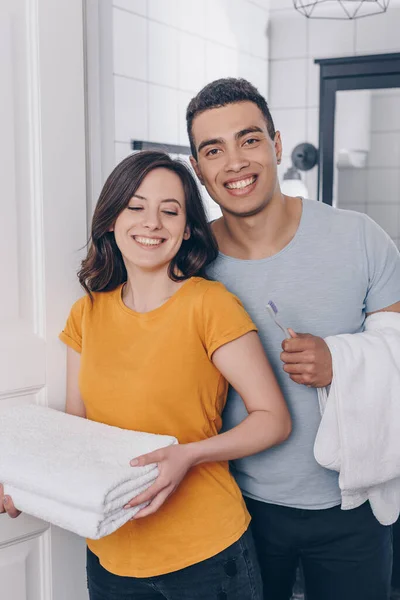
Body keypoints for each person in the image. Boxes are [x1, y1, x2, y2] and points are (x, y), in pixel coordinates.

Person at [0, 150, 291, 600]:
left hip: (206, 557)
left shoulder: (209, 306)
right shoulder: (88, 313)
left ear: (188, 228)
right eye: (135, 206)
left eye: (169, 211)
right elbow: (79, 434)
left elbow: (273, 418)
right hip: (109, 554)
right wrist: (29, 488)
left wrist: (188, 455)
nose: (151, 222)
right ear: (111, 220)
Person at [185, 77, 400, 600]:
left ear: (277, 145)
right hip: (235, 509)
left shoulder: (361, 238)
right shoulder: (187, 262)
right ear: (198, 169)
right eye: (214, 150)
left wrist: (341, 359)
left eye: (249, 140)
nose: (235, 162)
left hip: (353, 506)